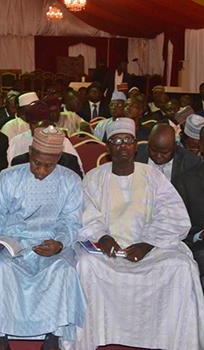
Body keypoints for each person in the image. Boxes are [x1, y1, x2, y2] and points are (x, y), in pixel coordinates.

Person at [73, 118, 204, 350]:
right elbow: (85, 213)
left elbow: (173, 216)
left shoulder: (154, 177)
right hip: (109, 251)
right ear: (108, 147)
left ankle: (175, 339)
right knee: (85, 265)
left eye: (128, 141)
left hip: (149, 248)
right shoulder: (94, 178)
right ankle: (94, 336)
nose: (122, 146)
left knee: (181, 266)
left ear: (136, 146)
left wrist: (148, 243)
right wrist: (102, 236)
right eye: (116, 141)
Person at [0, 126, 86, 350]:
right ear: (30, 152)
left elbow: (71, 222)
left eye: (48, 166)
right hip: (14, 242)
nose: (41, 171)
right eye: (36, 163)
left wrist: (60, 243)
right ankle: (1, 336)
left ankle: (53, 336)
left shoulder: (70, 181)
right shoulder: (9, 176)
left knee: (63, 271)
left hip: (51, 244)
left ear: (59, 158)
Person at [7, 101, 83, 177]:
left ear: (50, 124)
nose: (38, 128)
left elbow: (76, 173)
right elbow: (11, 173)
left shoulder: (63, 141)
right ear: (29, 124)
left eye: (43, 125)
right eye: (34, 123)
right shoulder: (16, 142)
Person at [173, 127, 204, 288]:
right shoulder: (184, 182)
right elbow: (177, 229)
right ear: (201, 145)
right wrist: (199, 235)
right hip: (200, 247)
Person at [135, 123, 201, 183]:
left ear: (175, 147)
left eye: (164, 153)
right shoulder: (135, 154)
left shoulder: (190, 163)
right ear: (148, 143)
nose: (158, 156)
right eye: (153, 150)